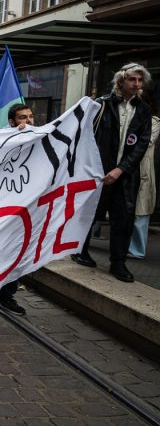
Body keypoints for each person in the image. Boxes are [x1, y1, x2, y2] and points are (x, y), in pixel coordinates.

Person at [72, 63, 152, 282]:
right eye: (132, 80)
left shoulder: (144, 110)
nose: (136, 84)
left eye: (139, 80)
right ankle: (80, 251)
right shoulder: (103, 105)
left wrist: (121, 169)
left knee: (123, 220)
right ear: (121, 81)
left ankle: (118, 263)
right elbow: (85, 135)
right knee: (89, 213)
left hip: (125, 176)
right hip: (97, 172)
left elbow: (141, 144)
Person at [0, 104, 34, 316]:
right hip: (0, 209)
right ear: (12, 122)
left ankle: (6, 296)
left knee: (16, 254)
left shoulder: (41, 139)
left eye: (31, 117)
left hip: (26, 209)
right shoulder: (0, 141)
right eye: (23, 118)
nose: (28, 121)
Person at [128, 91, 159, 259]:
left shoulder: (154, 122)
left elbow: (146, 142)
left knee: (141, 212)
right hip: (128, 168)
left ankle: (137, 250)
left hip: (143, 171)